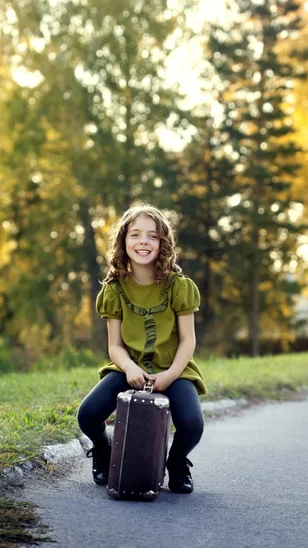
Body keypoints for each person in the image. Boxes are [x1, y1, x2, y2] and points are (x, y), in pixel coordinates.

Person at [77, 202, 206, 494]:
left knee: (192, 424)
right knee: (88, 414)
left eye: (152, 236)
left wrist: (171, 375)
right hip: (129, 366)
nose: (143, 242)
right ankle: (104, 451)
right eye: (135, 235)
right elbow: (115, 345)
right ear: (124, 241)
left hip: (173, 368)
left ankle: (176, 462)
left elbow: (188, 340)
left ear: (163, 244)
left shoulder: (179, 286)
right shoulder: (113, 289)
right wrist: (130, 368)